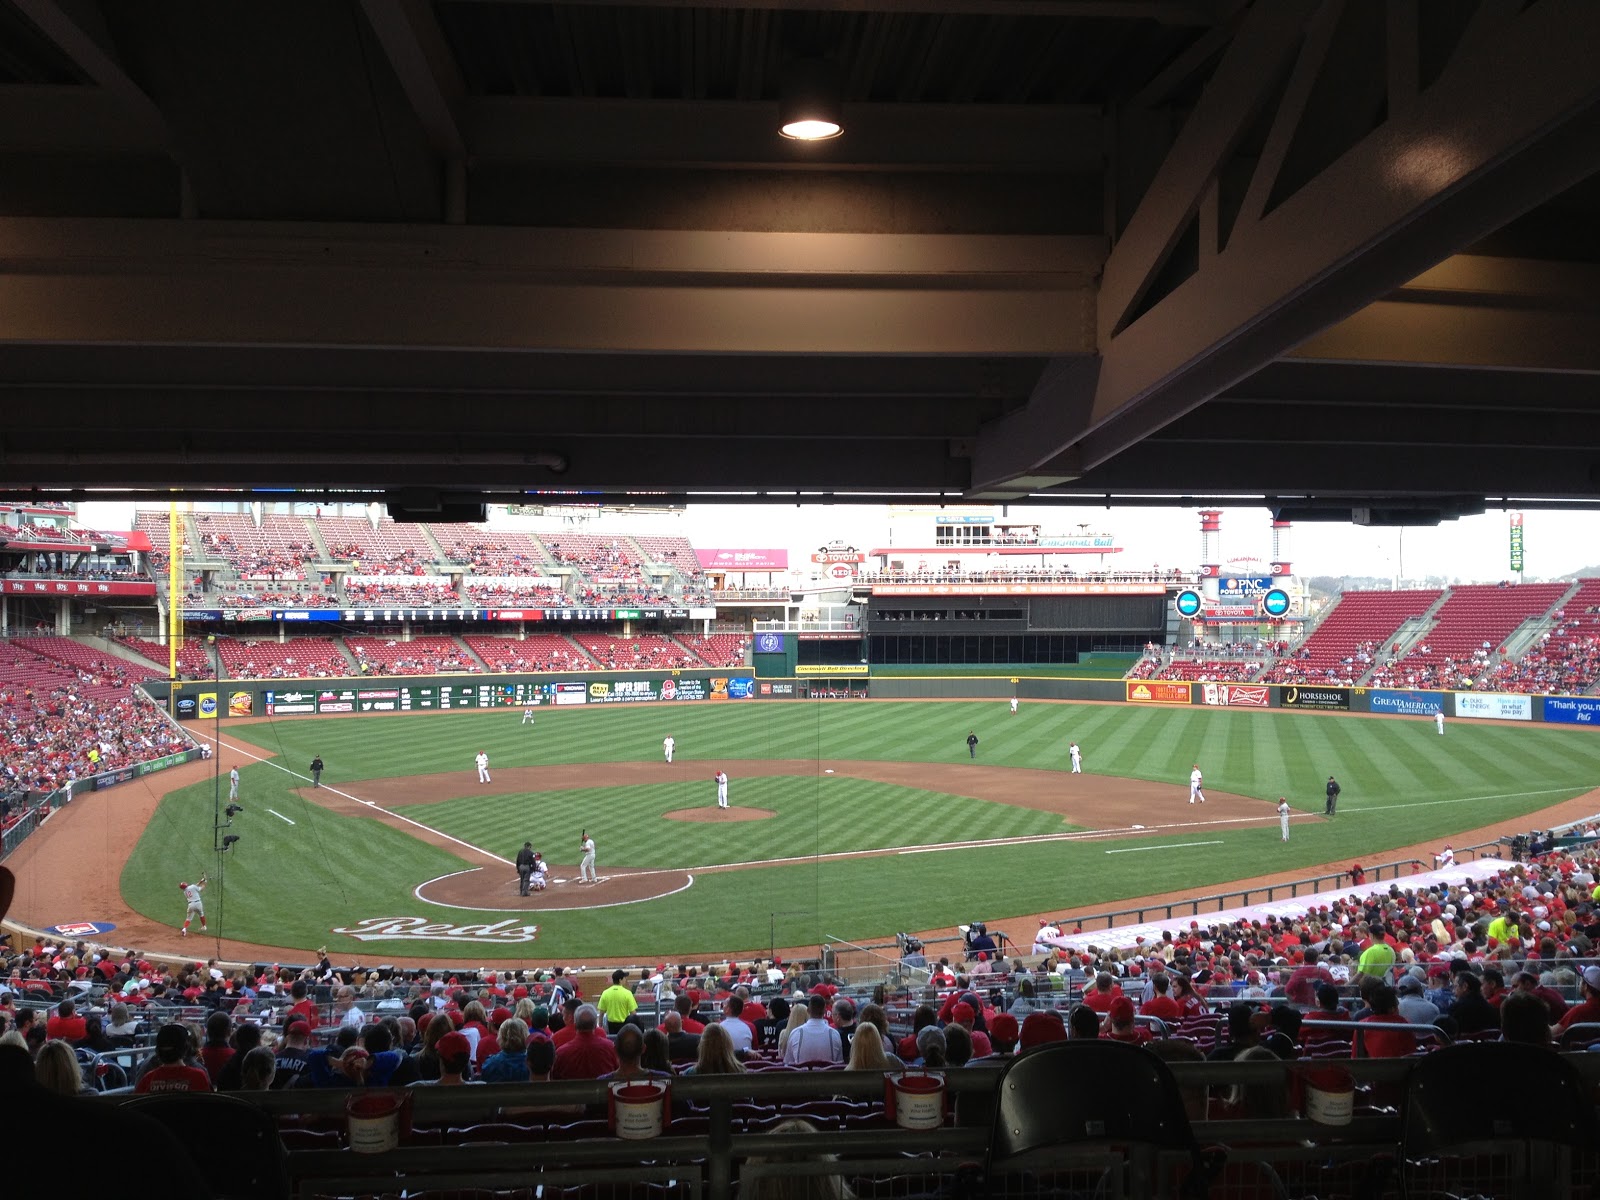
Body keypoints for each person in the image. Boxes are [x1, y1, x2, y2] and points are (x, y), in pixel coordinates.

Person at [783, 995, 843, 1066]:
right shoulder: (834, 1034)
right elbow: (839, 1064)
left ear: (808, 1010)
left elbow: (788, 1063)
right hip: (827, 1076)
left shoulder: (795, 1033)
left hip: (801, 1076)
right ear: (824, 1011)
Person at [597, 968, 638, 1033]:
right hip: (624, 1025)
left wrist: (600, 1027)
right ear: (620, 980)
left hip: (611, 1025)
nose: (625, 979)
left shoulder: (605, 993)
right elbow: (633, 1013)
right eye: (624, 978)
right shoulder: (627, 993)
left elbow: (601, 1013)